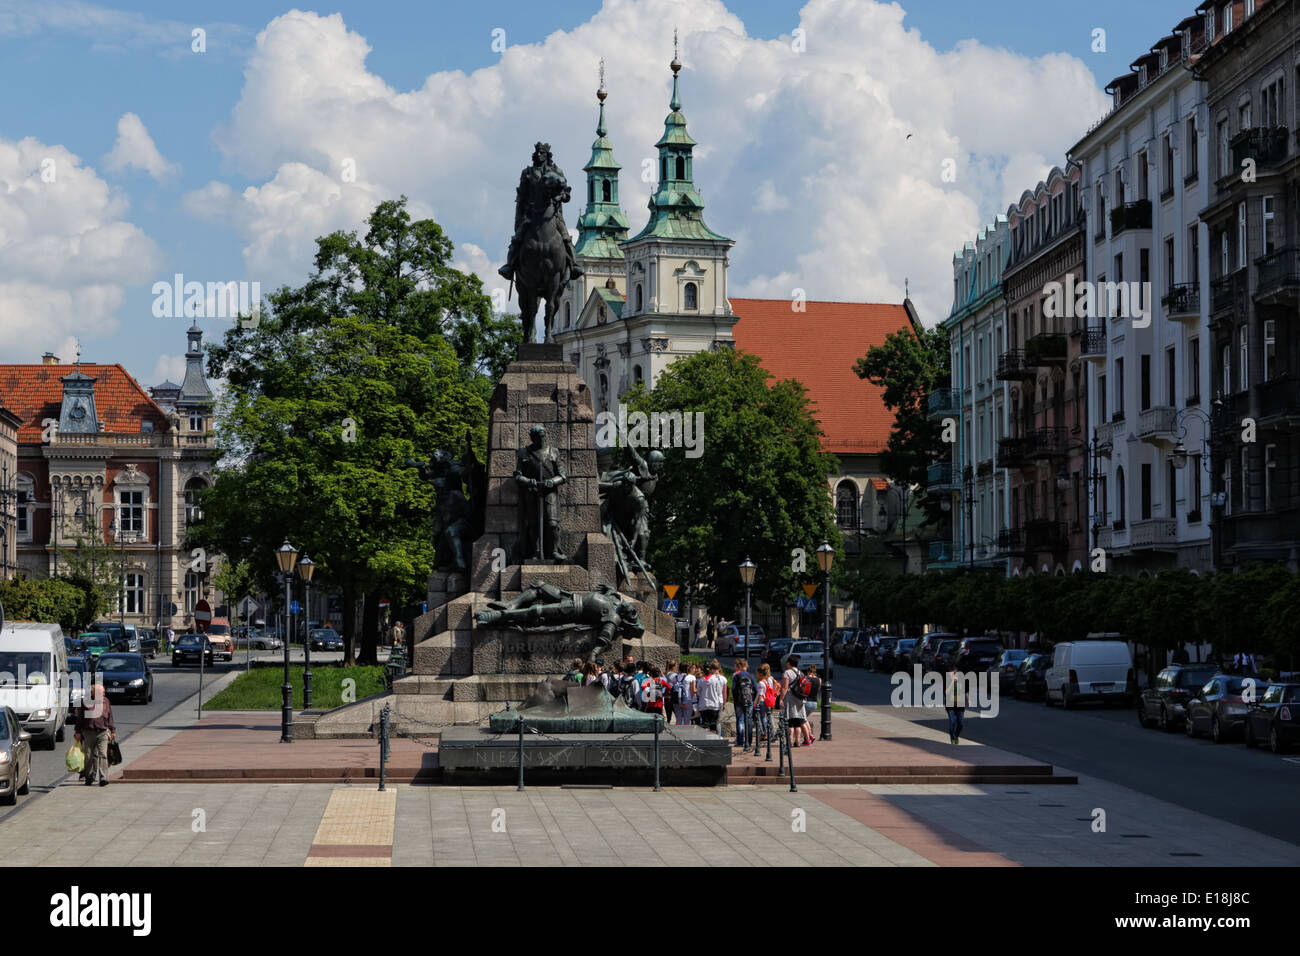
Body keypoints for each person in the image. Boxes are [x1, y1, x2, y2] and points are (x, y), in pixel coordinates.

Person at [75, 683, 116, 786]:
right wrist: (78, 731)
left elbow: (110, 716)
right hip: (89, 733)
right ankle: (89, 776)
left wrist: (113, 730)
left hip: (102, 732)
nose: (103, 693)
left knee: (102, 754)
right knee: (89, 756)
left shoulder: (106, 701)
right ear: (93, 693)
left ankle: (103, 778)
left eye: (103, 692)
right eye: (100, 692)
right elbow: (80, 718)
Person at [781, 655, 806, 750]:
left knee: (790, 722)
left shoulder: (787, 673)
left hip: (790, 699)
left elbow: (784, 688)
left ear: (788, 663)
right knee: (798, 722)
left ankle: (790, 742)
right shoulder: (801, 673)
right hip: (800, 699)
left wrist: (781, 699)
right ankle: (798, 742)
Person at [731, 657, 757, 749]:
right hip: (749, 701)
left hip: (738, 701)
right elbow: (756, 689)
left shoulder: (736, 676)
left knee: (740, 720)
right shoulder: (751, 675)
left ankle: (740, 741)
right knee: (749, 721)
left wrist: (736, 699)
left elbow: (733, 689)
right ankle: (749, 741)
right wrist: (752, 699)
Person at [697, 660, 728, 734]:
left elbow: (698, 693)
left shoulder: (700, 681)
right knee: (713, 725)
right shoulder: (716, 680)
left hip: (703, 705)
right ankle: (713, 741)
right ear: (711, 670)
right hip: (714, 704)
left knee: (705, 724)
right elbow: (718, 692)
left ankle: (705, 741)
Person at [755, 663, 777, 745]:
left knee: (763, 718)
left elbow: (760, 694)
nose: (756, 674)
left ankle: (766, 734)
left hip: (762, 702)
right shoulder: (768, 680)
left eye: (757, 673)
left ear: (760, 674)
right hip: (768, 701)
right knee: (767, 718)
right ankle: (768, 734)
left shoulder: (762, 682)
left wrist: (757, 704)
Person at [945, 661, 966, 745]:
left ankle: (956, 735)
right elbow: (946, 692)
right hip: (950, 705)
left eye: (955, 673)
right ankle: (952, 738)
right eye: (952, 673)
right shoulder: (947, 680)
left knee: (960, 724)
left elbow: (965, 690)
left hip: (960, 705)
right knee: (952, 721)